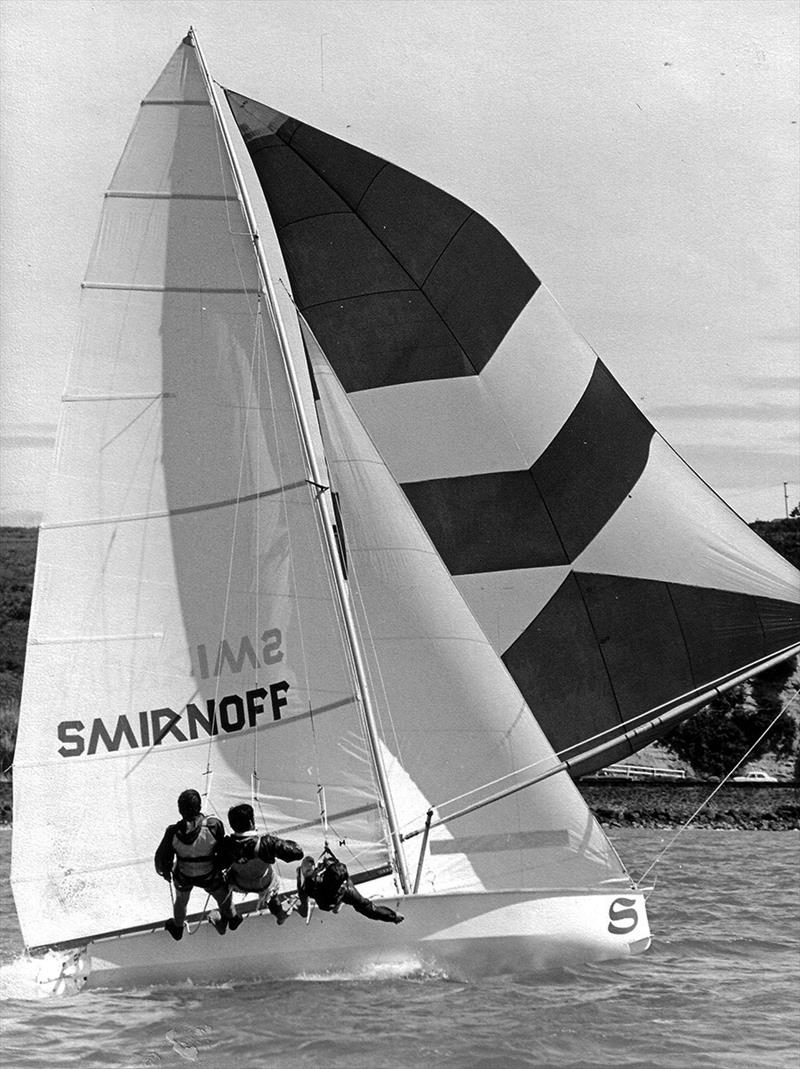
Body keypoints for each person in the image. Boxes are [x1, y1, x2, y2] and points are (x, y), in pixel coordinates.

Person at [154, 788, 238, 940]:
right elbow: (223, 850)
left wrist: (165, 871)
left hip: (184, 875)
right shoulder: (213, 825)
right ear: (199, 807)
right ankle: (232, 918)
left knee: (181, 901)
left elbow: (162, 858)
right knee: (221, 895)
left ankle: (178, 928)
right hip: (208, 874)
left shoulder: (173, 832)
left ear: (180, 810)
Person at [217, 803, 304, 926]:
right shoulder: (266, 843)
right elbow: (297, 853)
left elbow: (217, 864)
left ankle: (227, 917)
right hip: (263, 883)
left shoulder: (226, 845)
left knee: (222, 883)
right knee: (271, 894)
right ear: (251, 822)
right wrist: (275, 843)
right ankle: (280, 916)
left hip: (239, 884)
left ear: (231, 825)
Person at [296, 847, 404, 924]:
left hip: (325, 902)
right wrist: (392, 916)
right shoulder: (347, 887)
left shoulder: (312, 881)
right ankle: (339, 903)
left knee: (306, 865)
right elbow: (371, 909)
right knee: (356, 903)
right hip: (339, 896)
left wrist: (299, 877)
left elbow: (304, 909)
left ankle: (334, 905)